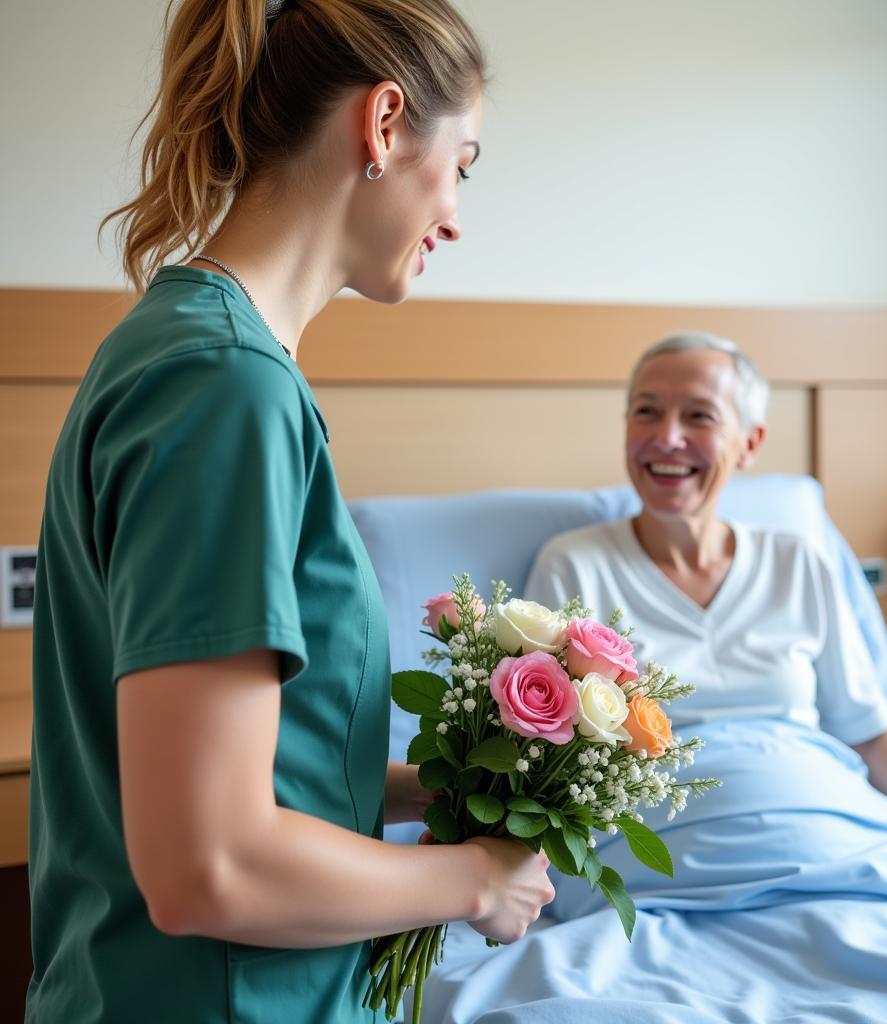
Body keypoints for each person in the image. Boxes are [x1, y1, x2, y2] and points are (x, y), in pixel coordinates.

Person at [26, 2, 554, 1021]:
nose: (456, 215)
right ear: (386, 122)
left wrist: (431, 794)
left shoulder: (198, 353)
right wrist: (476, 880)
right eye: (465, 164)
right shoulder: (225, 386)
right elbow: (209, 866)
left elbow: (248, 766)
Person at [526, 332, 887, 910]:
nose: (668, 437)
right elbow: (546, 753)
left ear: (749, 442)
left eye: (699, 416)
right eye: (647, 411)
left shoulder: (799, 561)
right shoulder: (574, 567)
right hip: (663, 872)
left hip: (842, 844)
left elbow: (867, 725)